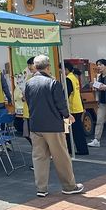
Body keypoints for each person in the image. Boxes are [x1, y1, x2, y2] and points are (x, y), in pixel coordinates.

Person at [24, 54, 84, 197]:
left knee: (39, 157)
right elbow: (60, 103)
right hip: (53, 125)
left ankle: (41, 188)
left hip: (35, 125)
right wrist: (67, 115)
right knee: (61, 156)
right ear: (48, 66)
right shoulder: (53, 83)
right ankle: (69, 186)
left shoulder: (29, 83)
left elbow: (28, 100)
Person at [64, 63, 89, 155]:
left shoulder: (68, 79)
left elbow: (66, 94)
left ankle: (69, 149)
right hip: (77, 107)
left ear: (65, 69)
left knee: (67, 129)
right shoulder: (74, 78)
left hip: (71, 108)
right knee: (77, 130)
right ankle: (82, 149)